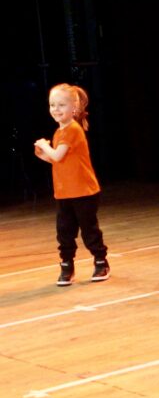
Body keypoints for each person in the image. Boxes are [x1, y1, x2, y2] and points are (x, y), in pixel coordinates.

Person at [33, 83, 110, 285]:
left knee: (89, 229)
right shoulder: (60, 132)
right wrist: (44, 154)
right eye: (52, 105)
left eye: (61, 105)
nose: (55, 109)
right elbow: (59, 160)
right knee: (64, 231)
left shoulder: (72, 130)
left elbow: (57, 156)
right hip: (64, 192)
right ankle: (67, 266)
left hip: (83, 191)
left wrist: (44, 146)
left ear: (74, 108)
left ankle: (101, 262)